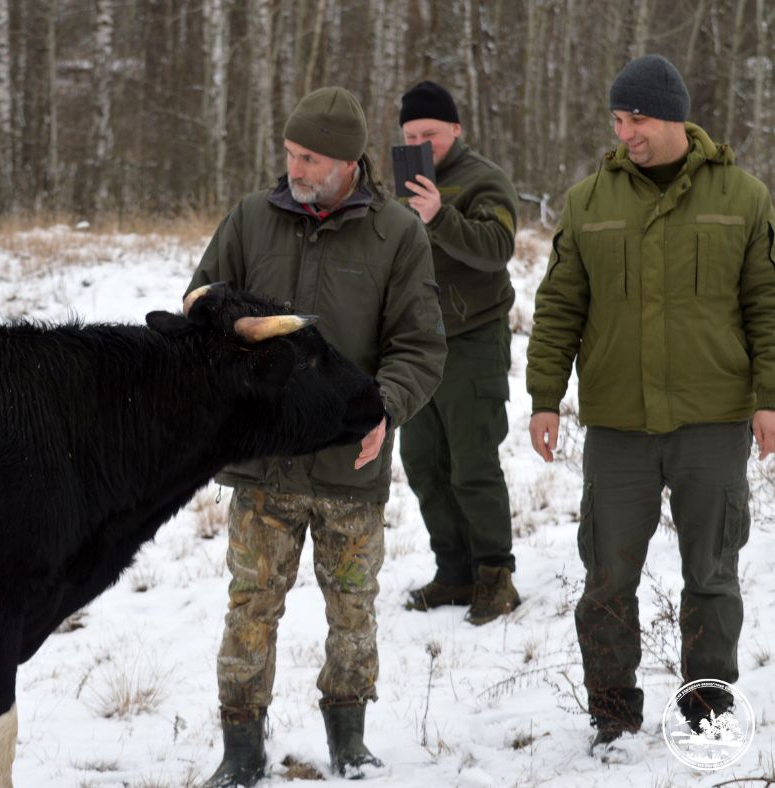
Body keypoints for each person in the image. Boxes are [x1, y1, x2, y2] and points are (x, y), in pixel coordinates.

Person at [189, 86, 446, 787]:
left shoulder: (398, 233)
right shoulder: (250, 218)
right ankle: (241, 750)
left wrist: (384, 408)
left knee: (353, 608)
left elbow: (420, 347)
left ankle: (349, 739)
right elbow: (201, 303)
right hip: (263, 465)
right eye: (290, 153)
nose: (295, 168)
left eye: (309, 158)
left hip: (349, 466)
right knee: (250, 608)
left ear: (346, 162)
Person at [526, 54, 775, 757]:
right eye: (616, 119)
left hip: (714, 418)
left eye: (635, 118)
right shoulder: (588, 202)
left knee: (713, 576)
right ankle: (612, 714)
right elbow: (558, 309)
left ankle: (710, 707)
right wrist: (546, 398)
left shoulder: (744, 196)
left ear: (671, 115)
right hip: (618, 425)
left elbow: (766, 304)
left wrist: (770, 399)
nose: (624, 132)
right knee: (605, 578)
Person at [396, 80, 521, 625]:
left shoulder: (484, 180)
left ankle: (495, 577)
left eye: (431, 132)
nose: (423, 141)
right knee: (424, 462)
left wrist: (438, 214)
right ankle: (454, 571)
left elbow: (497, 249)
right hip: (415, 346)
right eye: (410, 134)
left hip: (473, 339)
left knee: (472, 464)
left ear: (455, 129)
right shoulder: (400, 184)